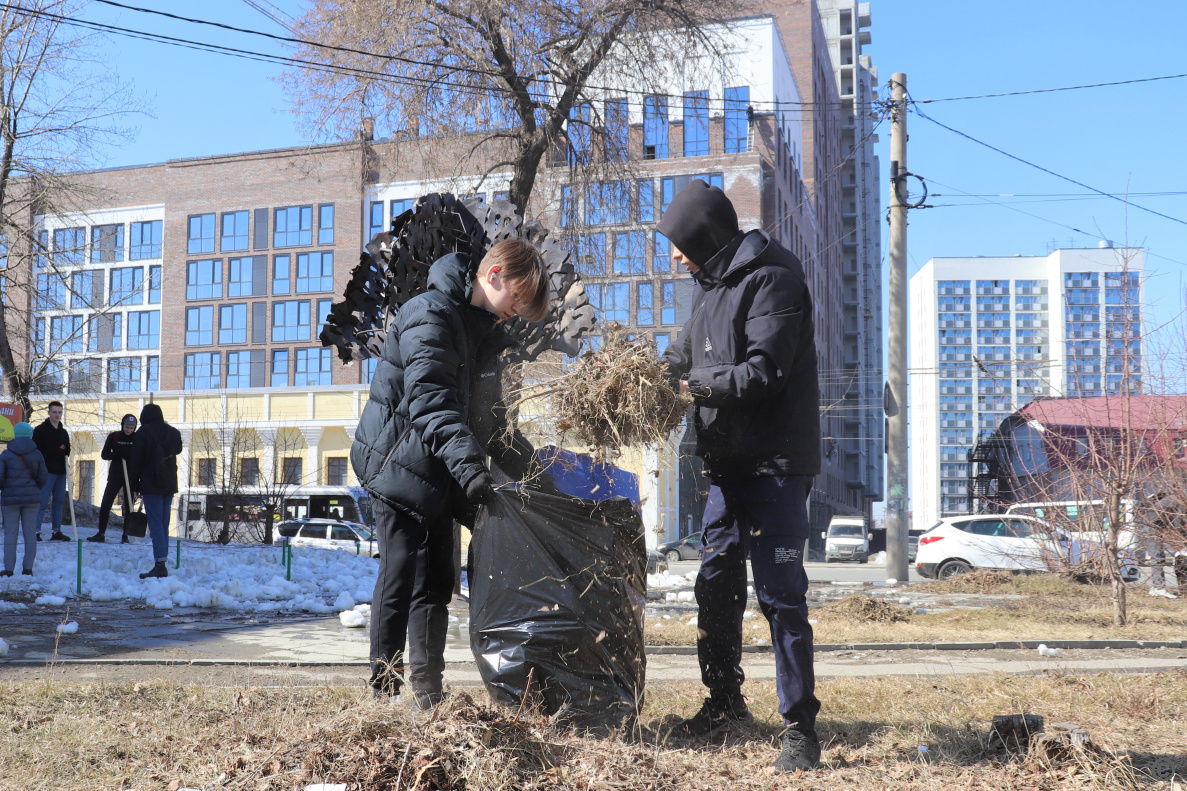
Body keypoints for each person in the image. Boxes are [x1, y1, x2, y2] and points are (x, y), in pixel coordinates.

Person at [658, 180, 823, 771]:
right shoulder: (707, 288)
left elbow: (764, 372)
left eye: (679, 243)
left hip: (776, 465)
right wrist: (647, 376)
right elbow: (681, 357)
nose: (675, 255)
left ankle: (800, 729)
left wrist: (691, 387)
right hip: (727, 466)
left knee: (780, 596)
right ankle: (724, 702)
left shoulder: (774, 278)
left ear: (705, 235)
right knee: (715, 584)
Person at [352, 237, 550, 707]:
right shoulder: (431, 313)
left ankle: (427, 696)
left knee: (439, 583)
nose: (516, 311)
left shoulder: (479, 331)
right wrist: (471, 471)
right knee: (400, 573)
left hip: (438, 466)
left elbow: (491, 419)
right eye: (517, 298)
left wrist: (535, 474)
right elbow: (430, 400)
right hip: (396, 461)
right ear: (494, 274)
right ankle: (382, 695)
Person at [127, 403, 183, 579]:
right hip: (169, 484)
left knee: (155, 524)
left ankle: (160, 564)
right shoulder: (173, 432)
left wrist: (134, 485)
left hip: (151, 485)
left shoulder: (143, 433)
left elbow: (136, 460)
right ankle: (162, 561)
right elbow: (178, 449)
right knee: (164, 523)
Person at [0, 422, 49, 577]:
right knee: (29, 533)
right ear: (30, 435)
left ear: (15, 435)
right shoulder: (37, 454)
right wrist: (35, 489)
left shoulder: (6, 454)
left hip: (10, 500)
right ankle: (27, 568)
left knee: (10, 534)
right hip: (32, 499)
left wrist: (6, 488)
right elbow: (44, 477)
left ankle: (8, 569)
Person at [88, 414, 138, 544]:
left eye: (132, 428)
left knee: (129, 506)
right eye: (127, 427)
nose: (129, 430)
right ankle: (101, 533)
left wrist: (139, 481)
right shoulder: (114, 437)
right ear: (122, 425)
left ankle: (125, 535)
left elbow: (141, 458)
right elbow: (104, 455)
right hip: (116, 475)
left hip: (130, 476)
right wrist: (117, 453)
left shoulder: (137, 438)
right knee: (106, 503)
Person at [33, 400, 71, 542]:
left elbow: (67, 449)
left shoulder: (63, 432)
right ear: (48, 412)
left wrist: (65, 449)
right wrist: (56, 451)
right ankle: (36, 531)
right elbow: (37, 451)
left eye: (60, 412)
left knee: (59, 501)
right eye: (54, 412)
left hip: (61, 471)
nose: (57, 415)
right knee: (42, 501)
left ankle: (56, 531)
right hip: (46, 471)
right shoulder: (40, 430)